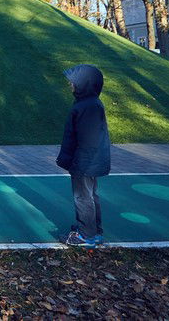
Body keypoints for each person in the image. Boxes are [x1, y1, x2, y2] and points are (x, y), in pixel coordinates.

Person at [56, 64, 111, 248]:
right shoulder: (88, 104)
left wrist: (78, 162)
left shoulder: (87, 107)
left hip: (85, 162)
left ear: (84, 84)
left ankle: (86, 234)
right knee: (90, 195)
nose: (70, 85)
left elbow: (87, 139)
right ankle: (94, 230)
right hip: (89, 161)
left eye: (74, 83)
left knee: (83, 197)